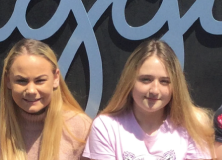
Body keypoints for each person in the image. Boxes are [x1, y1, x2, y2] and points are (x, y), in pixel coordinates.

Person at [82, 39, 214, 160]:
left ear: (176, 85)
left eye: (164, 81)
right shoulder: (106, 126)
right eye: (146, 79)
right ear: (130, 81)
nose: (154, 90)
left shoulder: (193, 125)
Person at [0, 38, 92, 160]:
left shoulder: (80, 128)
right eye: (21, 81)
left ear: (56, 78)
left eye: (40, 81)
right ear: (8, 80)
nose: (31, 91)